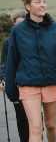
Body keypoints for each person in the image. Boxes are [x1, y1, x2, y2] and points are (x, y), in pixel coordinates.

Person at [5, 0, 56, 142]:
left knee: (51, 125)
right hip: (28, 84)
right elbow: (11, 60)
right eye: (38, 2)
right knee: (35, 127)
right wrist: (10, 88)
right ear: (28, 6)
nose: (42, 5)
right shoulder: (18, 31)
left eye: (44, 1)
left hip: (52, 82)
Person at [0, 11, 29, 142]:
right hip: (16, 84)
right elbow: (4, 63)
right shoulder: (7, 42)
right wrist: (2, 78)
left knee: (34, 117)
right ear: (13, 25)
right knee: (21, 116)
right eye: (17, 24)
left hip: (33, 83)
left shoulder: (33, 39)